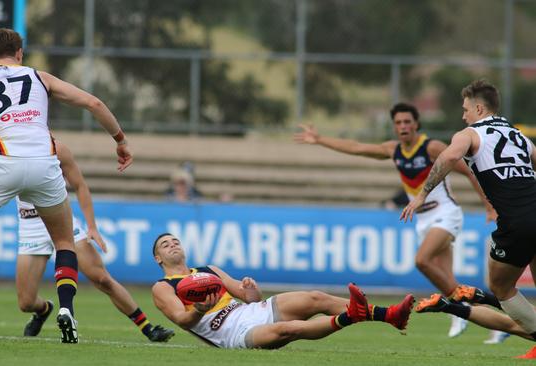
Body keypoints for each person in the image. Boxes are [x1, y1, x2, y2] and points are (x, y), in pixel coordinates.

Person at [0, 28, 132, 343]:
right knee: (64, 242)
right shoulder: (39, 77)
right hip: (45, 165)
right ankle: (66, 309)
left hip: (4, 163)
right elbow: (94, 103)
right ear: (19, 54)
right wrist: (121, 141)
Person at [294, 102, 496, 338]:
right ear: (394, 126)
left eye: (407, 122)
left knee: (422, 260)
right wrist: (319, 140)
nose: (403, 126)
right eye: (398, 122)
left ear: (416, 124)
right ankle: (495, 325)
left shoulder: (431, 147)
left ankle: (459, 310)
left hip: (445, 212)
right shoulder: (394, 150)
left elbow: (470, 171)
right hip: (422, 218)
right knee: (452, 283)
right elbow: (357, 147)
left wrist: (489, 206)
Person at [401, 79, 536, 357]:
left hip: (518, 220)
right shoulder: (520, 136)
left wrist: (423, 194)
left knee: (500, 285)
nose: (463, 116)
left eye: (465, 110)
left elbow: (448, 158)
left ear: (478, 108)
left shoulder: (470, 134)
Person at [15, 139, 174, 342]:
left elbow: (80, 185)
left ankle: (148, 328)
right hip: (31, 226)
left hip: (61, 220)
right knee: (26, 303)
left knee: (102, 279)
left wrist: (91, 227)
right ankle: (44, 310)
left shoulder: (57, 148)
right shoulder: (6, 146)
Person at [151, 233, 414, 349]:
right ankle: (350, 316)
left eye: (175, 241)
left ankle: (390, 315)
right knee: (289, 329)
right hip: (232, 333)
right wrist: (199, 310)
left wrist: (251, 290)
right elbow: (182, 320)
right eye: (165, 245)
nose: (172, 245)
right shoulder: (162, 287)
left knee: (315, 298)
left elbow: (251, 299)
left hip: (251, 312)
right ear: (158, 258)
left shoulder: (208, 270)